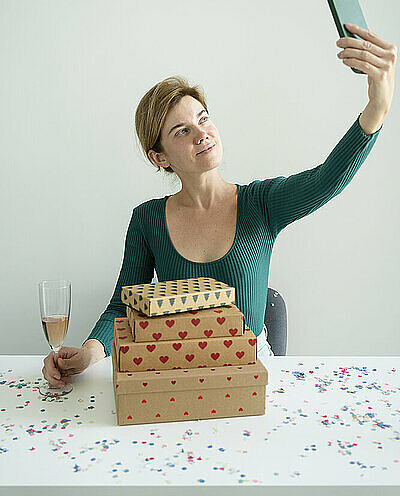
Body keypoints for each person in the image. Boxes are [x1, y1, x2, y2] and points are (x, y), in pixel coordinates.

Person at [42, 24, 396, 387]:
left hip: (251, 381)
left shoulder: (261, 203)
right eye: (182, 131)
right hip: (179, 375)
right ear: (160, 157)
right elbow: (123, 305)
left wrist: (377, 106)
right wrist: (88, 352)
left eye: (203, 118)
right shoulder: (146, 220)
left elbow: (327, 179)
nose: (202, 134)